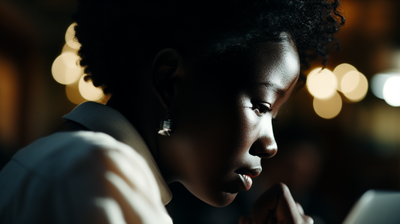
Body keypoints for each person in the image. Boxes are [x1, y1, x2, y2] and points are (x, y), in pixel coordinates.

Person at [0, 0, 344, 223]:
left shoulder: (74, 162)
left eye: (275, 117)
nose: (271, 145)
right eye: (261, 106)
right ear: (169, 83)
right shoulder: (94, 172)